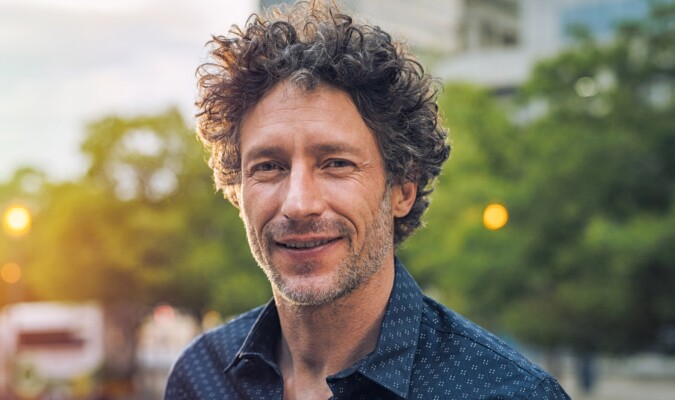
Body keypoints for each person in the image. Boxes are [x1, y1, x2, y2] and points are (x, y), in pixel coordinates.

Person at [165, 1, 570, 399]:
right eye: (269, 167)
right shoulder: (200, 376)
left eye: (336, 163)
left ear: (402, 189)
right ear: (236, 191)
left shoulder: (509, 392)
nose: (298, 203)